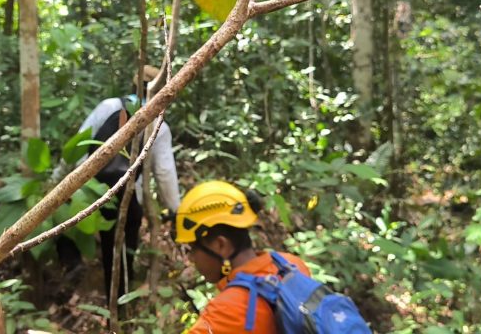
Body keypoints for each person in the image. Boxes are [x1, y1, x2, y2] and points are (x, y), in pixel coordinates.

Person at [77, 65, 180, 301]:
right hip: (129, 196)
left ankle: (94, 289)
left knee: (103, 246)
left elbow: (79, 144)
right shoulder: (159, 126)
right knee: (123, 253)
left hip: (94, 191)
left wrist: (65, 184)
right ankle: (120, 304)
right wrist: (175, 209)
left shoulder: (108, 107)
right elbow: (164, 173)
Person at [174, 181, 311, 334]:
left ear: (221, 245)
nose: (192, 258)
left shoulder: (224, 313)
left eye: (193, 249)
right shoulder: (291, 264)